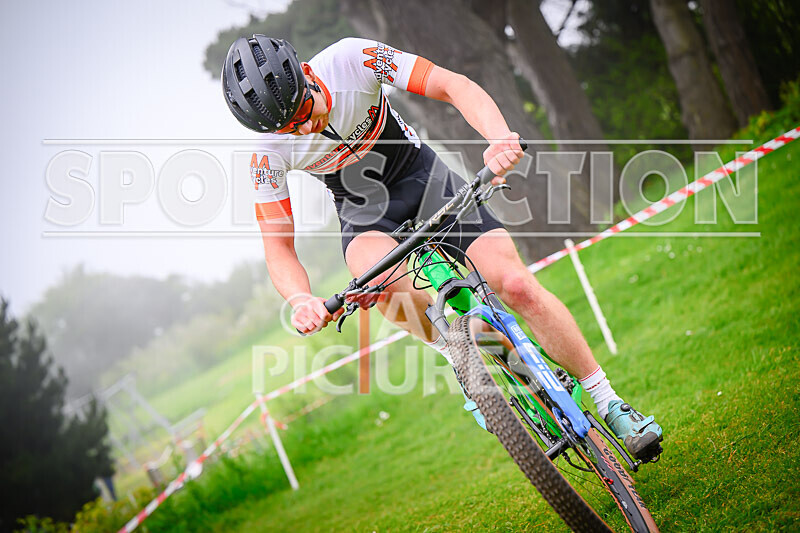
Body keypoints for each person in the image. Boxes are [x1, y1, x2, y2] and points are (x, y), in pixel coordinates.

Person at [221, 35, 662, 460]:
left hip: (424, 179)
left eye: (302, 111)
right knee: (374, 280)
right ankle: (459, 355)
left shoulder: (352, 59)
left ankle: (609, 402)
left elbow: (451, 84)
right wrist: (301, 300)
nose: (303, 128)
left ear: (306, 73)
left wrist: (498, 137)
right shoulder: (267, 153)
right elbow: (278, 246)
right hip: (364, 211)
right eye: (289, 128)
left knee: (515, 285)